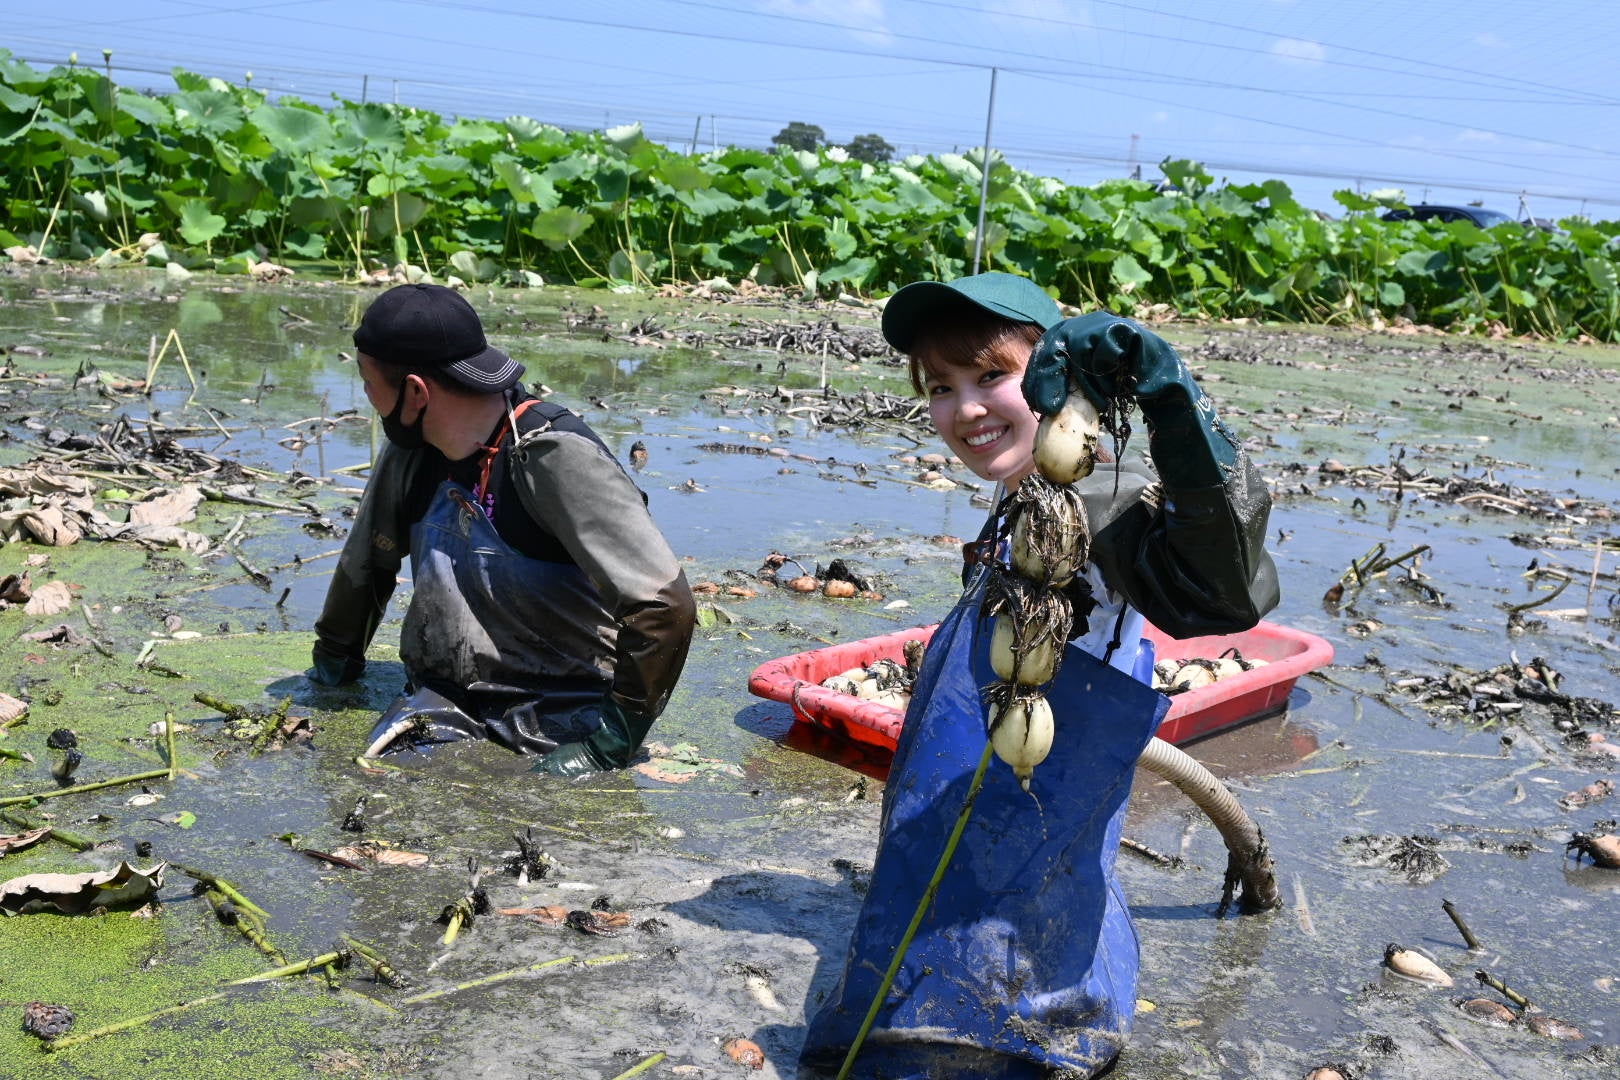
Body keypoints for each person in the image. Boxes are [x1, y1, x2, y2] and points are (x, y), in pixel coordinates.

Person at [799, 272, 1279, 1078]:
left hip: (1046, 783)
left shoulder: (1102, 492)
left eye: (992, 376)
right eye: (942, 388)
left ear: (1057, 377)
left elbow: (1221, 591)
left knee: (1012, 997)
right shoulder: (1025, 491)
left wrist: (1175, 408)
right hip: (986, 779)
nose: (966, 409)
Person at [308, 283, 696, 776]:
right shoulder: (410, 452)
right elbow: (369, 560)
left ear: (416, 390)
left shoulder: (554, 456)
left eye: (366, 382)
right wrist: (332, 666)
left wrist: (610, 744)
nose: (366, 397)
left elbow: (664, 605)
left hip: (563, 709)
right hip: (445, 700)